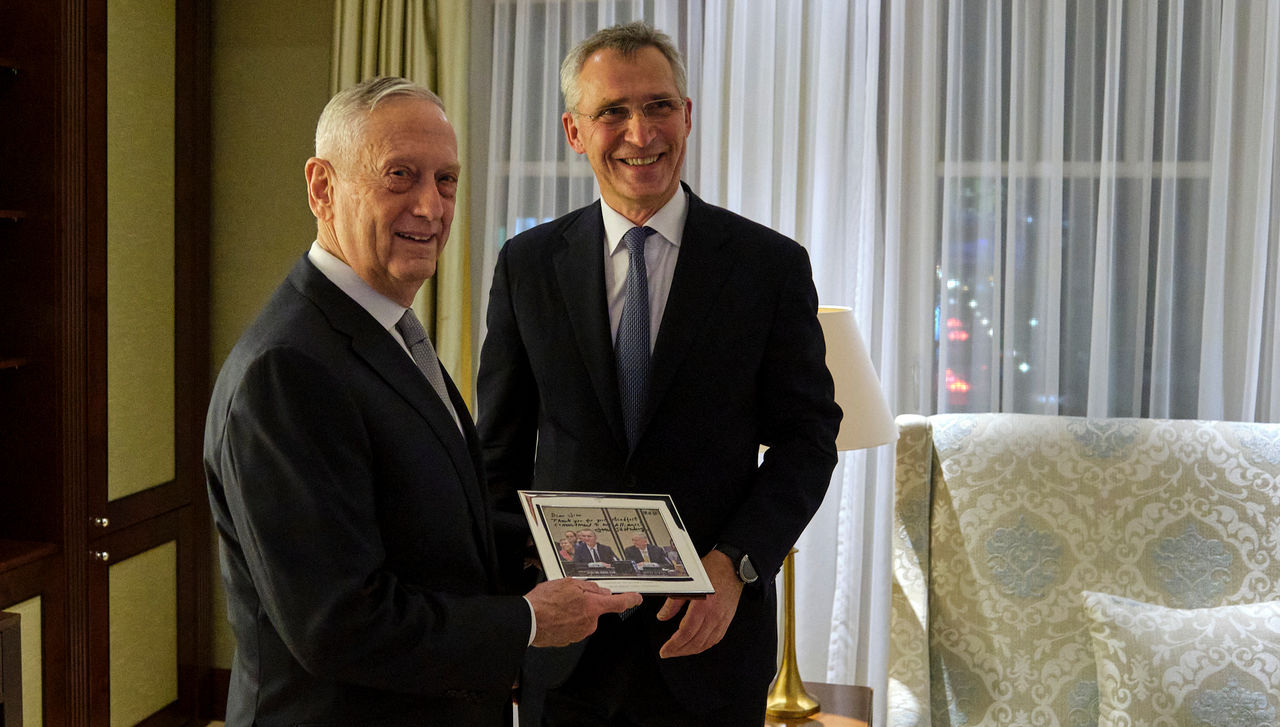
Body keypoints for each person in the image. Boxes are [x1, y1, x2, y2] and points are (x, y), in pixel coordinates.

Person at [204, 76, 640, 726]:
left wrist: (564, 542)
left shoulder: (387, 329)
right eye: (400, 175)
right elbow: (339, 623)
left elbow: (423, 519)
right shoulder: (288, 368)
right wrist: (528, 620)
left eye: (446, 180)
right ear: (322, 187)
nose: (431, 207)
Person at [476, 21, 841, 726]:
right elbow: (498, 453)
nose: (641, 133)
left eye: (659, 106)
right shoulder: (527, 266)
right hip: (566, 647)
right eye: (612, 111)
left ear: (688, 115)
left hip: (708, 643)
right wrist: (517, 601)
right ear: (575, 132)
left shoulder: (767, 267)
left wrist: (736, 562)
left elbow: (809, 437)